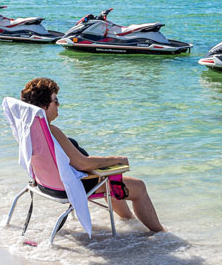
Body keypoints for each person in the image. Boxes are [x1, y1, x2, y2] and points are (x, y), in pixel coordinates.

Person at [20, 77, 164, 233]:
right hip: (75, 185)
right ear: (43, 106)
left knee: (111, 178)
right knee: (139, 187)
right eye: (55, 100)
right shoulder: (51, 130)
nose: (58, 104)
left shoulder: (30, 130)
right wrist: (117, 160)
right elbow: (81, 163)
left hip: (47, 184)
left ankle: (129, 220)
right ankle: (162, 235)